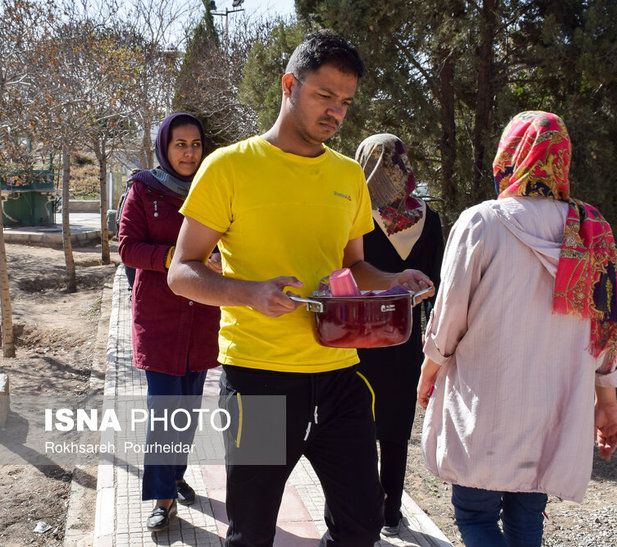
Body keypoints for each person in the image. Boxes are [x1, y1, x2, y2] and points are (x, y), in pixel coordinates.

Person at [166, 31, 434, 546]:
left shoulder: (348, 176)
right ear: (289, 85)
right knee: (251, 532)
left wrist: (393, 280)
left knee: (361, 525)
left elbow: (354, 269)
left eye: (346, 102)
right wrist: (249, 292)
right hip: (259, 381)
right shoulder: (229, 167)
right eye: (324, 96)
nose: (336, 112)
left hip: (340, 377)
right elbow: (182, 271)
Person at [416, 111, 617, 546]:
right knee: (528, 519)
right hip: (553, 410)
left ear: (510, 157)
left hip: (486, 406)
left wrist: (429, 370)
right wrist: (606, 400)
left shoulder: (482, 222)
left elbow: (449, 315)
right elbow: (609, 328)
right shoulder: (590, 231)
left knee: (475, 516)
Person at [118, 112, 222, 532]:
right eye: (180, 143)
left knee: (190, 408)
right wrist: (177, 260)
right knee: (165, 409)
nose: (189, 151)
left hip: (201, 316)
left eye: (195, 144)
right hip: (160, 318)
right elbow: (128, 248)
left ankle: (176, 475)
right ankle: (162, 496)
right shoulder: (143, 190)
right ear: (165, 146)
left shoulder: (214, 189)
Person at [354, 134, 444, 536]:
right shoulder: (430, 218)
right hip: (405, 338)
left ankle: (362, 511)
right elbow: (437, 284)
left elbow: (342, 271)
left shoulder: (353, 215)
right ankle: (391, 513)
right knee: (395, 427)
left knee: (356, 425)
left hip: (355, 335)